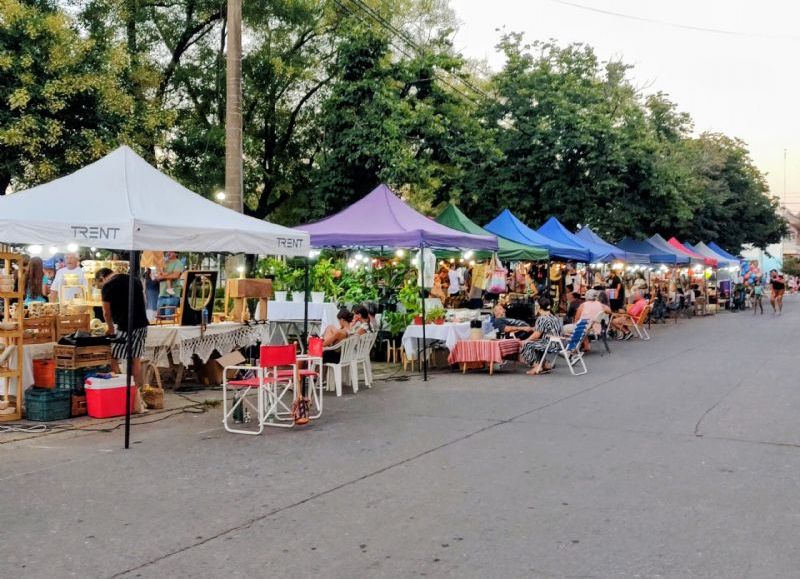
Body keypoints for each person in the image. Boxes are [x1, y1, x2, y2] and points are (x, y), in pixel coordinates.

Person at [95, 267, 149, 389]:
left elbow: (106, 312)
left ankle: (121, 387)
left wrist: (110, 328)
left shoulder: (108, 285)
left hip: (125, 326)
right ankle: (136, 392)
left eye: (100, 284)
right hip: (142, 324)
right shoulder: (135, 280)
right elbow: (144, 300)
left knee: (113, 356)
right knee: (135, 359)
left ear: (102, 278)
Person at [520, 296, 563, 375]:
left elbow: (536, 334)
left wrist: (525, 341)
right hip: (558, 344)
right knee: (535, 343)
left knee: (526, 345)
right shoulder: (554, 317)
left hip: (550, 344)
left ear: (539, 307)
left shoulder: (542, 318)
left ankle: (537, 366)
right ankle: (545, 364)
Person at [156, 251, 185, 319]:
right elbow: (157, 277)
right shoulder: (163, 262)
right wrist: (168, 275)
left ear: (176, 253)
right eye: (168, 251)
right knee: (159, 319)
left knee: (169, 320)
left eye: (171, 252)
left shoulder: (179, 263)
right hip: (161, 294)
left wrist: (163, 276)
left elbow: (175, 276)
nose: (168, 253)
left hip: (172, 295)